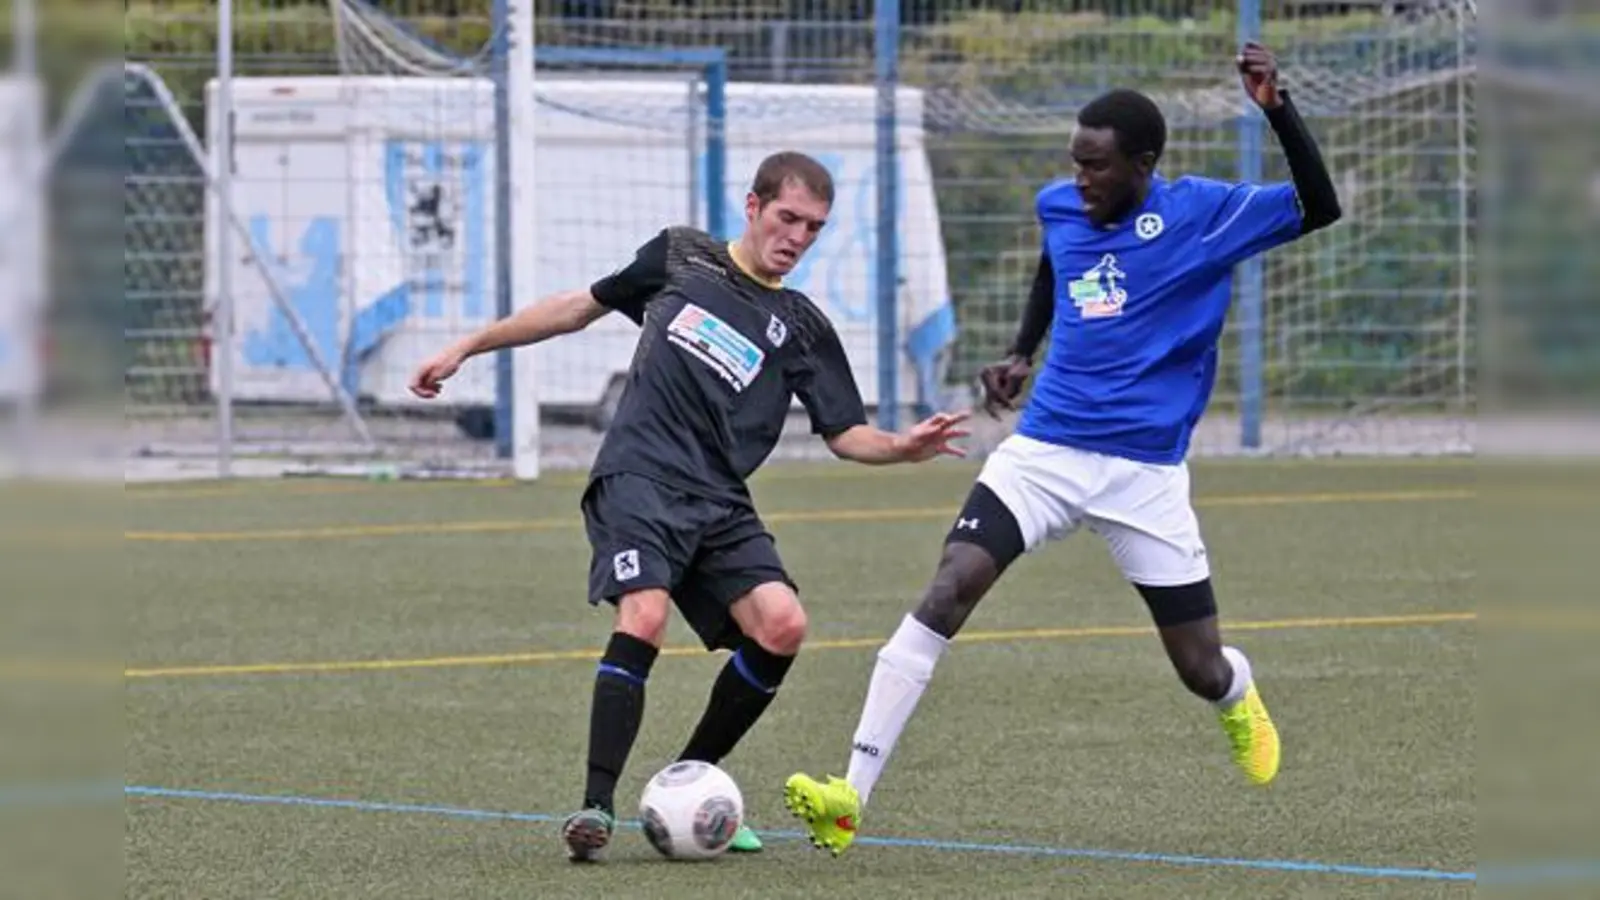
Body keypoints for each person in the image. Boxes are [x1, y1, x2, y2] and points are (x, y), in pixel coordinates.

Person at [783, 42, 1344, 856]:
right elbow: (1057, 269)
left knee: (1197, 666)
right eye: (1075, 164)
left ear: (1144, 164)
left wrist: (1276, 110)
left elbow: (1318, 205)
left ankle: (1235, 689)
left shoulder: (1203, 215)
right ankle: (849, 796)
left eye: (1098, 167)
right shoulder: (1061, 206)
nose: (1081, 181)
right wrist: (1022, 350)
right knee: (949, 589)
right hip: (1042, 453)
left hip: (1143, 474)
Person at [407, 151, 971, 862]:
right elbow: (576, 308)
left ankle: (686, 784)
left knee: (782, 626)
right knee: (644, 613)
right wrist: (468, 346)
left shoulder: (800, 325)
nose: (797, 237)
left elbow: (845, 434)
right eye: (788, 217)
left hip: (719, 501)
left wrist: (903, 446)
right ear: (753, 206)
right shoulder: (680, 257)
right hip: (638, 475)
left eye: (814, 228)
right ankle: (596, 806)